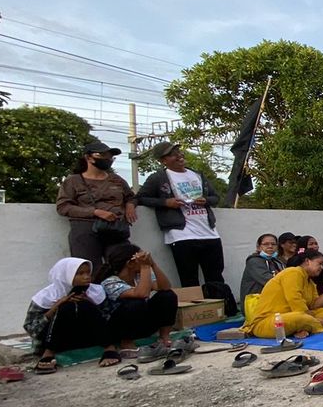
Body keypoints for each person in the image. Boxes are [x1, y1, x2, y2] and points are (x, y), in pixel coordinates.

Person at [136, 142, 224, 288]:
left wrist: (206, 200)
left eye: (178, 151)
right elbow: (141, 197)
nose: (178, 156)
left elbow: (216, 197)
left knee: (215, 276)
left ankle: (220, 309)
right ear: (163, 160)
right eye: (172, 154)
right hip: (181, 234)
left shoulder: (197, 174)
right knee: (189, 278)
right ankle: (196, 310)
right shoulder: (158, 178)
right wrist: (166, 202)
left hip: (209, 232)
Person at [56, 140, 138, 272]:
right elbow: (63, 206)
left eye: (110, 156)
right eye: (103, 155)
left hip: (115, 229)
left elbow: (131, 197)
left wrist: (130, 205)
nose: (108, 159)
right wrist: (95, 212)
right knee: (91, 271)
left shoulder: (116, 179)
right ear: (89, 157)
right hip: (86, 230)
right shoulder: (73, 181)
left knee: (126, 265)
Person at [95, 242, 179, 362]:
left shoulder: (139, 276)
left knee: (167, 295)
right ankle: (126, 344)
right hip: (119, 328)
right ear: (130, 264)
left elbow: (165, 287)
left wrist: (152, 264)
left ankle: (164, 336)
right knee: (135, 302)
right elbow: (141, 294)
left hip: (140, 323)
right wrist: (145, 267)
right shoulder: (110, 282)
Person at [24, 258, 109, 374]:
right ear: (66, 275)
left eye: (88, 272)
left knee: (84, 304)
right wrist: (56, 307)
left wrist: (90, 302)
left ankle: (109, 348)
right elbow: (31, 329)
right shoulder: (46, 296)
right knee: (66, 307)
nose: (87, 277)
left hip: (87, 339)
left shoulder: (96, 291)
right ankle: (48, 353)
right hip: (57, 341)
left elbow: (109, 319)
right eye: (80, 273)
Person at [245, 249, 323, 339]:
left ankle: (303, 327)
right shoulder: (293, 272)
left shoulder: (310, 282)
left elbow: (314, 305)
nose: (322, 267)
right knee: (301, 317)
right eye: (319, 263)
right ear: (307, 261)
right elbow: (294, 300)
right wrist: (315, 319)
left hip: (292, 316)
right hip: (268, 322)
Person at [239, 233, 284, 299]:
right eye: (266, 244)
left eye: (273, 244)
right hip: (256, 302)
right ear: (259, 247)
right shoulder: (254, 261)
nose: (270, 246)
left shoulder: (277, 262)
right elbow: (270, 281)